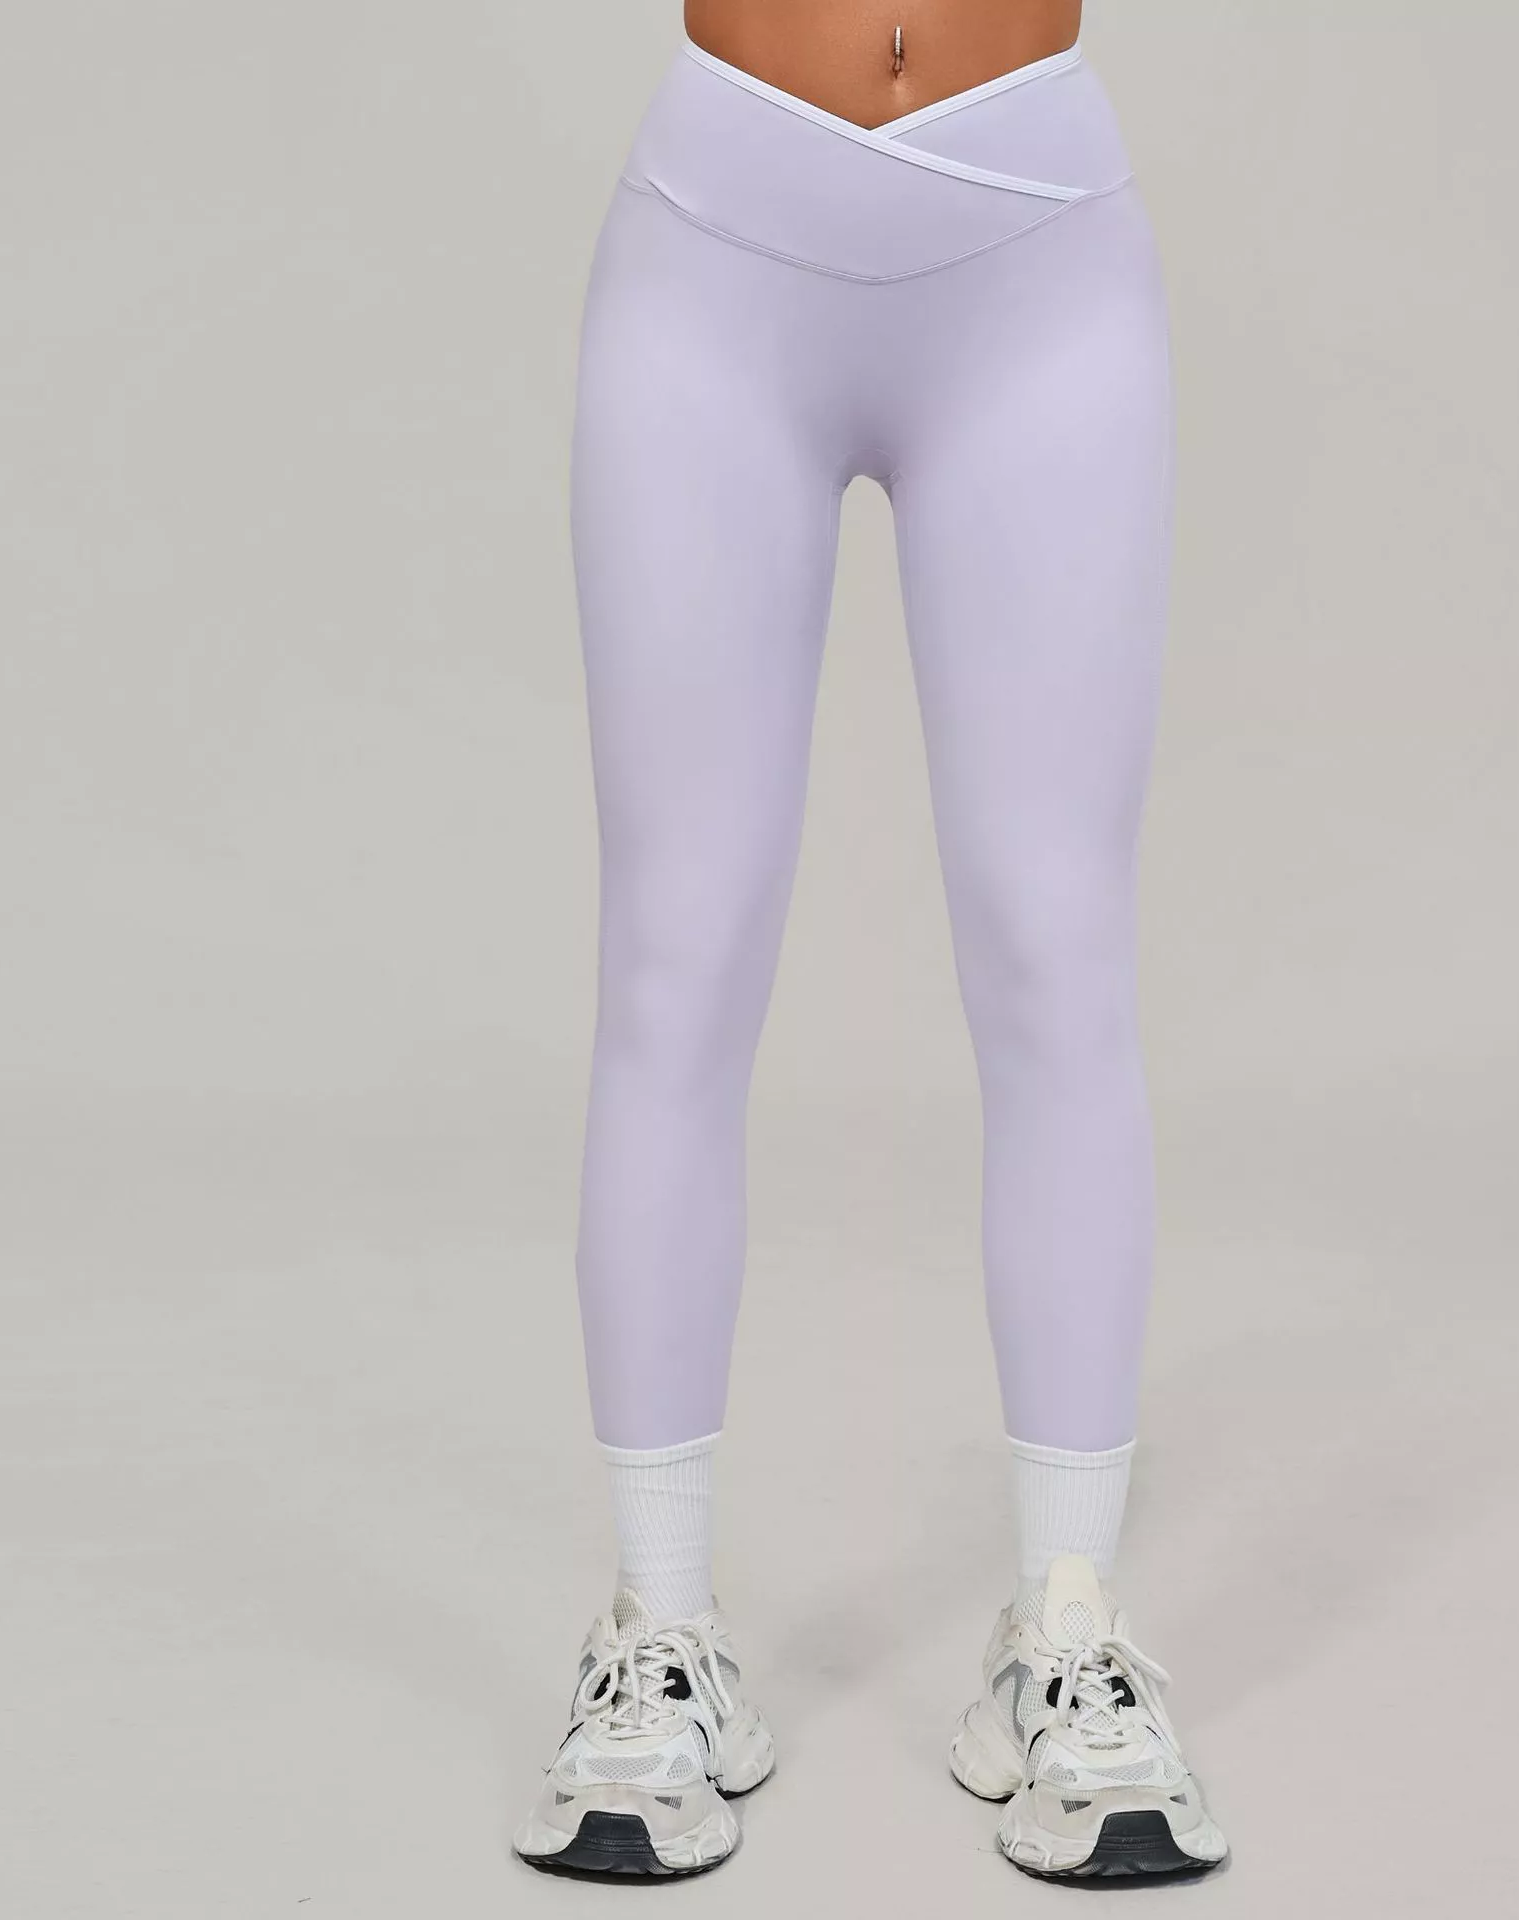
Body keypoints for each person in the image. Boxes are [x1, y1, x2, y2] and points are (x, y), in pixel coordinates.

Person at [511, 0, 1229, 1881]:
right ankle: (659, 1631)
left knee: (1055, 946)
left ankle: (1067, 1630)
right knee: (676, 952)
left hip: (1037, 259)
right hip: (717, 255)